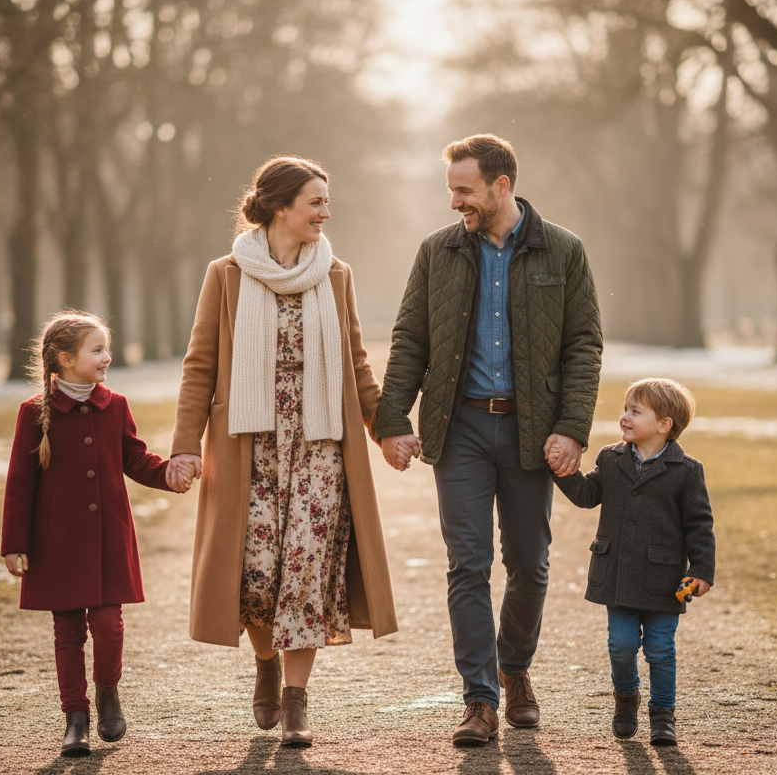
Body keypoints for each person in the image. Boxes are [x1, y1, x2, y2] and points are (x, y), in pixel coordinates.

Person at [375, 133, 603, 746]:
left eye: (464, 190)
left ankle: (515, 669)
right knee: (467, 564)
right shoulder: (437, 252)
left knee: (529, 564)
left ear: (502, 186)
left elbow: (584, 345)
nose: (455, 203)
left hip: (533, 431)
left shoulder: (563, 250)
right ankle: (479, 698)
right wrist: (392, 421)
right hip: (462, 427)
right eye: (452, 190)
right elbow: (411, 339)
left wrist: (572, 428)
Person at [166, 155, 397, 748]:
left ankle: (296, 700)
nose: (326, 211)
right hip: (250, 446)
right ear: (278, 207)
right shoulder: (227, 275)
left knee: (306, 574)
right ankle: (266, 661)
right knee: (256, 575)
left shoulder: (335, 274)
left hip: (321, 445)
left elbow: (357, 363)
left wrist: (387, 428)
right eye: (315, 201)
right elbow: (200, 368)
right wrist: (184, 447)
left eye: (326, 201)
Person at [1, 311, 176, 758]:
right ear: (65, 359)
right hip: (57, 539)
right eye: (96, 350)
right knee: (67, 631)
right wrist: (15, 544)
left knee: (107, 624)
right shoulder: (33, 414)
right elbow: (20, 482)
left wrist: (169, 473)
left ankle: (107, 694)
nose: (106, 357)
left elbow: (134, 459)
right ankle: (75, 719)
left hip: (107, 536)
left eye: (106, 348)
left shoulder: (114, 405)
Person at [549, 378, 716, 746]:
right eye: (625, 409)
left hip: (663, 579)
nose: (624, 417)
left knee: (660, 649)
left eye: (635, 411)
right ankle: (626, 699)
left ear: (664, 425)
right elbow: (588, 494)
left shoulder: (687, 470)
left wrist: (701, 571)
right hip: (618, 576)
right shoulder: (611, 458)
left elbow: (699, 524)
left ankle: (662, 715)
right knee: (620, 645)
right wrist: (561, 469)